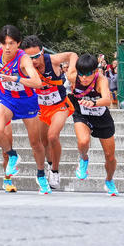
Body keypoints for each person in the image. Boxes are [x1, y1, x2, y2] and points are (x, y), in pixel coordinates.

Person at [0, 26, 46, 193]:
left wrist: (16, 78)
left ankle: (41, 174)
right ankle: (13, 154)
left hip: (26, 101)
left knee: (35, 142)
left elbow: (38, 83)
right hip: (6, 98)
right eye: (4, 43)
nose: (7, 48)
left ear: (18, 43)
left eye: (11, 43)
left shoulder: (24, 60)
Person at [21, 36, 78, 190]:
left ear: (42, 51)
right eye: (29, 58)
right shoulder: (24, 65)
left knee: (53, 136)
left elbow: (72, 55)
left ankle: (55, 171)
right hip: (40, 108)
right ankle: (50, 164)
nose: (33, 61)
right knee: (43, 141)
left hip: (59, 105)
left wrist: (72, 70)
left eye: (36, 56)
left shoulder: (52, 60)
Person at [67, 53, 118, 195]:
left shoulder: (101, 80)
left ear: (95, 72)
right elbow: (70, 58)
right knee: (83, 141)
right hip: (82, 114)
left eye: (88, 74)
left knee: (110, 156)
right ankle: (84, 159)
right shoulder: (73, 77)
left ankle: (109, 180)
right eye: (81, 74)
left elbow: (107, 100)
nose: (84, 78)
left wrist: (93, 103)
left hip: (101, 117)